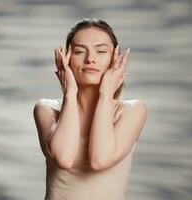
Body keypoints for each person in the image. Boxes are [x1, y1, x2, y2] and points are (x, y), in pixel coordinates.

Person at [33, 18, 147, 200]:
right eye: (79, 52)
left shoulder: (132, 111)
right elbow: (64, 158)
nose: (90, 59)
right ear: (66, 60)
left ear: (114, 59)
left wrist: (105, 95)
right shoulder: (46, 109)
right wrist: (70, 94)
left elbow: (99, 159)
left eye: (101, 51)